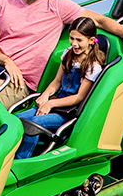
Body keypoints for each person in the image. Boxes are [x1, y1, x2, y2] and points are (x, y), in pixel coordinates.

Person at [15, 17, 106, 158]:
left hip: (67, 113)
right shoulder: (68, 53)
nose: (74, 44)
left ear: (91, 40)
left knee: (33, 124)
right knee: (16, 118)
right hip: (56, 102)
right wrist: (45, 95)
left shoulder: (93, 66)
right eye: (72, 38)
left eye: (79, 40)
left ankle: (21, 160)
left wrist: (51, 103)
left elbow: (79, 97)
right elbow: (57, 82)